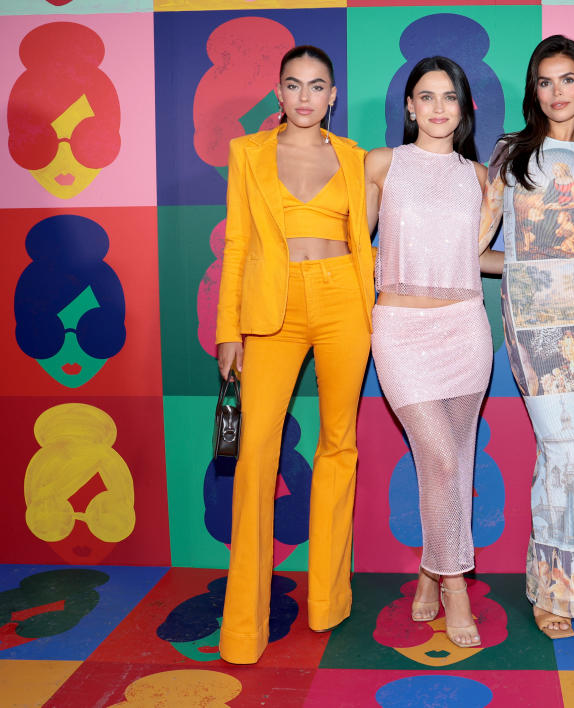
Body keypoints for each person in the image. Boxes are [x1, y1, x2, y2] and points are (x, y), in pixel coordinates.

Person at [215, 45, 373, 664]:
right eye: (293, 84)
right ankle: (242, 626)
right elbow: (235, 243)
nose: (305, 96)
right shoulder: (247, 153)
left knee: (339, 443)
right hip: (269, 312)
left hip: (342, 303)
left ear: (333, 95)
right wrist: (228, 330)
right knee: (256, 452)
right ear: (278, 94)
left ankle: (329, 598)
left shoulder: (357, 159)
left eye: (317, 85)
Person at [478, 35, 574, 640]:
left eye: (567, 79)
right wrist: (522, 268)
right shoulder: (512, 154)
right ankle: (550, 590)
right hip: (533, 321)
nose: (557, 92)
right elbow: (478, 245)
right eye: (545, 81)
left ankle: (567, 583)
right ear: (533, 91)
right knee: (563, 450)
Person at [365, 56, 495, 649]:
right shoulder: (383, 165)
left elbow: (475, 258)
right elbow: (351, 244)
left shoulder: (480, 176)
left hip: (465, 328)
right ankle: (456, 586)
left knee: (455, 463)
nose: (438, 107)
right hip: (400, 331)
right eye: (426, 96)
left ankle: (428, 570)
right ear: (410, 107)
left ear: (464, 109)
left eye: (450, 97)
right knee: (441, 461)